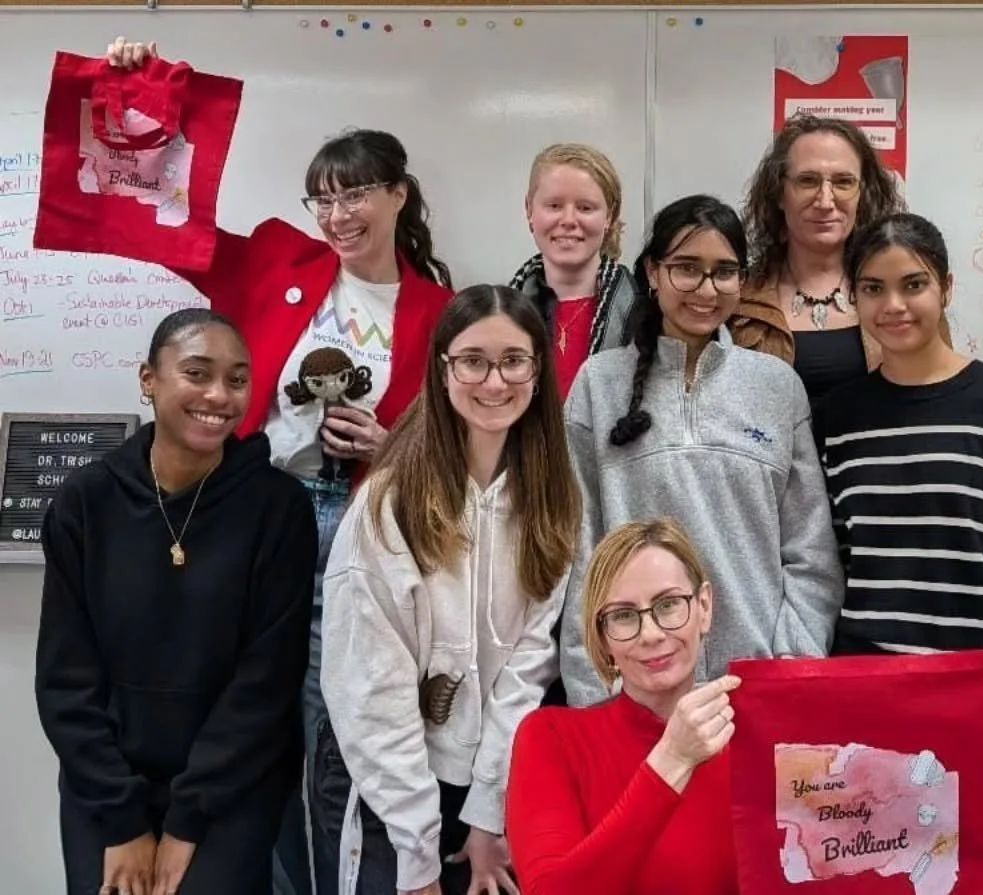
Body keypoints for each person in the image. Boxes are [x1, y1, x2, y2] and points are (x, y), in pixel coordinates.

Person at [62, 37, 458, 895]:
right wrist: (140, 91)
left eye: (355, 192)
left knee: (328, 718)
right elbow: (165, 225)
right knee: (238, 702)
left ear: (398, 194)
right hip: (251, 513)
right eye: (323, 196)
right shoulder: (281, 257)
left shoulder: (440, 310)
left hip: (361, 526)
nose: (337, 213)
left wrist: (389, 449)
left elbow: (460, 445)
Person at [506, 518, 983, 894]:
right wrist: (671, 761)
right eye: (623, 616)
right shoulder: (550, 739)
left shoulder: (770, 734)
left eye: (669, 605)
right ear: (601, 636)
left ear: (704, 606)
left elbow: (932, 839)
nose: (651, 633)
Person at [812, 212, 983, 892]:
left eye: (914, 284)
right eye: (873, 288)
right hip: (872, 719)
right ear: (852, 297)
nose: (894, 305)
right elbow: (835, 567)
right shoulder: (837, 416)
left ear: (947, 288)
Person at [34, 308, 317, 895]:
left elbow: (266, 682)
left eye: (237, 379)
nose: (219, 395)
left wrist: (189, 819)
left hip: (231, 784)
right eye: (197, 373)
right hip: (108, 785)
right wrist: (121, 818)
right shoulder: (85, 502)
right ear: (149, 379)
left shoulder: (278, 508)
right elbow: (66, 679)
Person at [320, 285, 581, 895]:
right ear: (443, 371)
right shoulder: (390, 502)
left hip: (487, 776)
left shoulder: (553, 501)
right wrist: (417, 851)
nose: (495, 381)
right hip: (387, 779)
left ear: (537, 372)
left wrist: (488, 811)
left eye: (513, 361)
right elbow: (372, 687)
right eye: (473, 361)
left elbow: (528, 668)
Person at [557, 194, 845, 707]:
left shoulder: (777, 387)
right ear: (653, 272)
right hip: (637, 695)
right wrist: (598, 690)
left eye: (724, 272)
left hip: (757, 691)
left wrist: (789, 667)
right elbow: (582, 550)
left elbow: (810, 549)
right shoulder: (599, 385)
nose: (706, 290)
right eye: (687, 269)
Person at [729, 113, 948, 407]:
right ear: (779, 193)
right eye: (807, 181)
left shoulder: (909, 293)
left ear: (863, 193)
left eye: (844, 182)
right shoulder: (738, 298)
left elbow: (941, 398)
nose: (825, 201)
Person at [509, 143, 638, 398]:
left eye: (585, 208)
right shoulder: (501, 312)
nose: (568, 220)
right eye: (554, 205)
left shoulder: (642, 312)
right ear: (529, 210)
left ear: (609, 216)